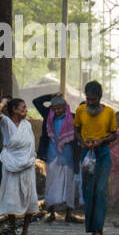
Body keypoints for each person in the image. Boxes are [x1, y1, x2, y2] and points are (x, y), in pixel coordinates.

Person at [74, 80, 117, 235]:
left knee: (100, 191)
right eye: (88, 99)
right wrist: (83, 143)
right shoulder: (80, 110)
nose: (90, 102)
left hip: (103, 154)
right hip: (86, 154)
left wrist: (102, 141)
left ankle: (99, 230)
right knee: (88, 191)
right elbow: (76, 131)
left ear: (99, 97)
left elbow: (114, 134)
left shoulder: (110, 113)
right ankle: (91, 229)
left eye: (93, 99)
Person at [0, 96, 39, 235]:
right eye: (23, 108)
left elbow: (30, 145)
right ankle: (13, 231)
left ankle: (25, 232)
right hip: (11, 163)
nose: (25, 111)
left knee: (30, 197)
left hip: (27, 164)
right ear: (14, 109)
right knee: (11, 197)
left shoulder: (27, 125)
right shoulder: (6, 122)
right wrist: (3, 102)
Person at [43, 94, 80, 223]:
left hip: (68, 156)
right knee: (51, 184)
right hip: (52, 155)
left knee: (69, 185)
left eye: (60, 108)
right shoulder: (48, 116)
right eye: (55, 108)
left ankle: (69, 214)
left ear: (65, 107)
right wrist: (51, 96)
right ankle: (51, 213)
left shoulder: (73, 118)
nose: (58, 111)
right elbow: (36, 102)